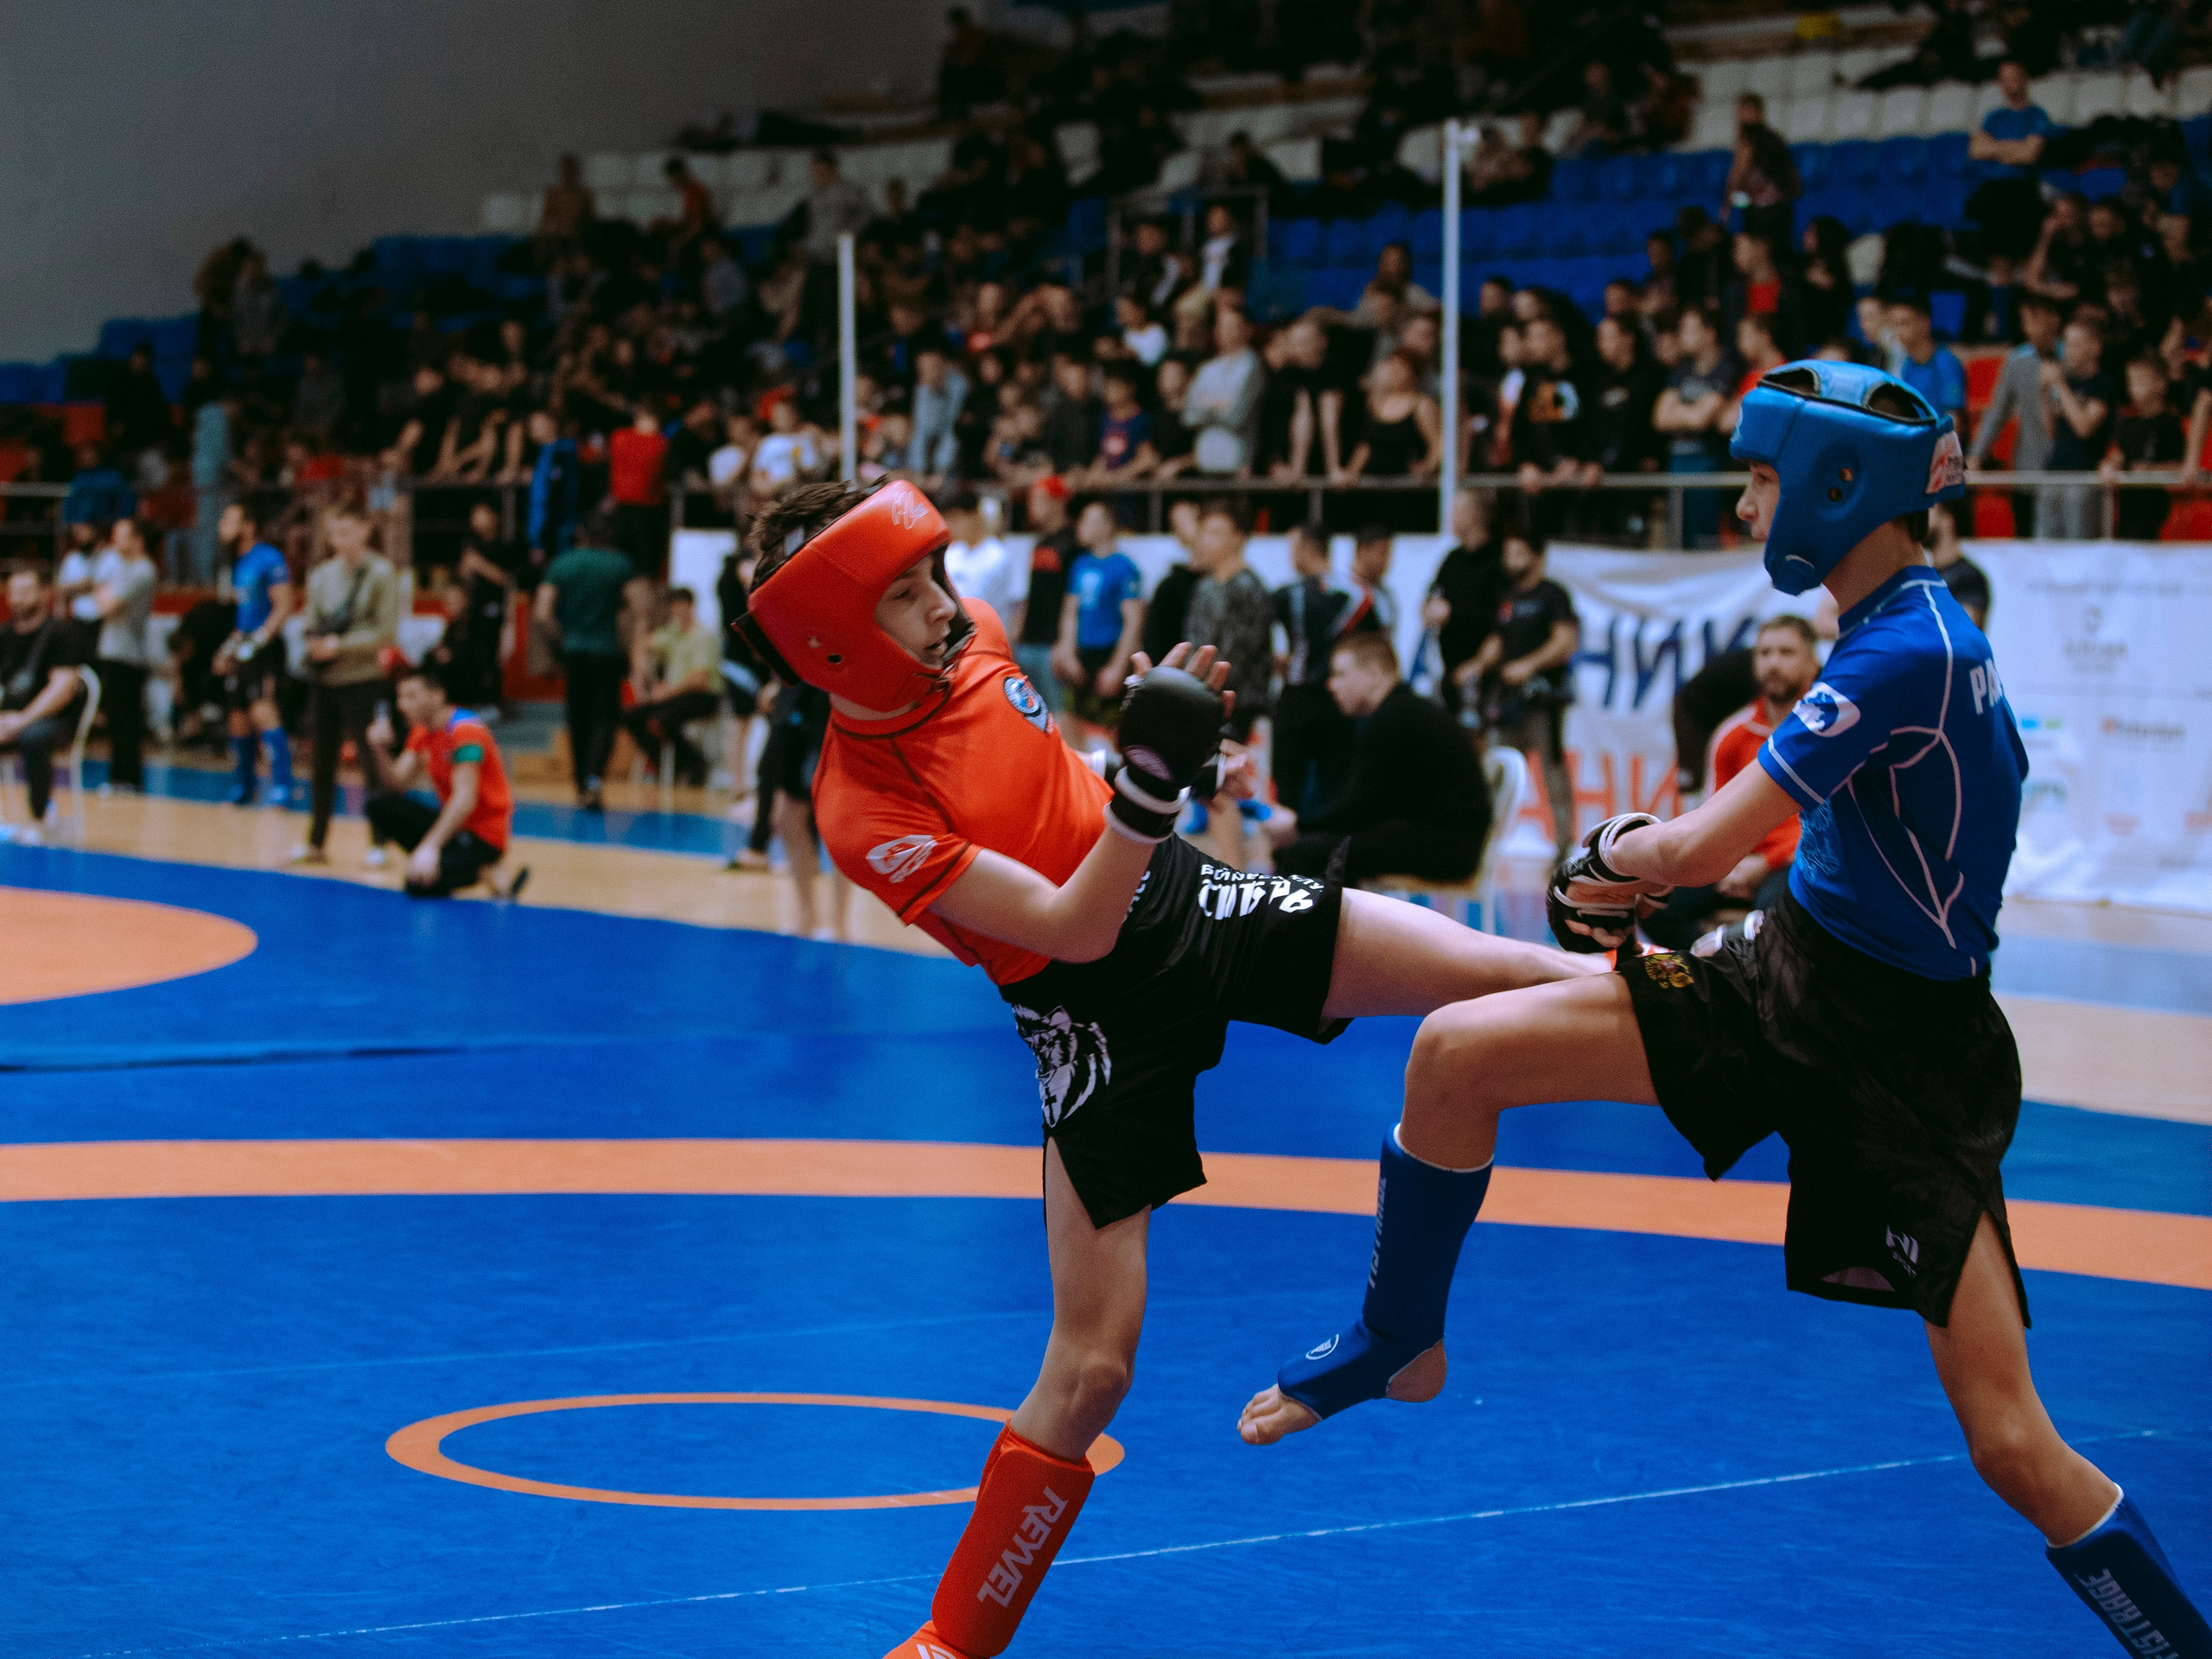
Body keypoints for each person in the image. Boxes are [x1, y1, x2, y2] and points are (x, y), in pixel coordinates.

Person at [1239, 358, 2212, 1659]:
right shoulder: (1908, 634)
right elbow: (1789, 856)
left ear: (1834, 485)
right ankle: (1402, 1337)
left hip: (1898, 1065)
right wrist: (1652, 875)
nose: (1748, 511)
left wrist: (1613, 855)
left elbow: (1695, 850)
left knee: (2011, 1444)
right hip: (1789, 981)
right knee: (1457, 1057)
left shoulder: (1906, 651)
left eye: (1759, 482)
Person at [732, 480, 1599, 1659]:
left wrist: (1152, 755)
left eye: (935, 574)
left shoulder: (979, 641)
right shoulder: (858, 804)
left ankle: (1727, 991)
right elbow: (1070, 930)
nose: (947, 605)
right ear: (828, 637)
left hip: (1194, 897)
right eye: (906, 594)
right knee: (1091, 1373)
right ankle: (953, 1642)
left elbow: (1055, 778)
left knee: (1500, 973)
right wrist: (1146, 788)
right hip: (1090, 1017)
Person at [1641, 614, 1815, 949]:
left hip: (1799, 861)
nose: (1773, 663)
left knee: (1778, 913)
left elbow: (1831, 827)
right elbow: (1718, 818)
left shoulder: (1826, 733)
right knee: (1654, 903)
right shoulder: (1732, 735)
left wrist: (1766, 864)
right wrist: (1729, 863)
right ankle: (1709, 972)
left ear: (1812, 663)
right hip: (1741, 859)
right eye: (1765, 654)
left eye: (1786, 653)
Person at [1268, 630, 1490, 884]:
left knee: (1304, 854)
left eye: (1340, 674)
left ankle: (1297, 924)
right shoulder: (1403, 711)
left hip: (1446, 850)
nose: (1331, 684)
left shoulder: (1394, 719)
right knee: (1324, 849)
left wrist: (1298, 827)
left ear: (1373, 674)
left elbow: (1358, 806)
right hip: (1442, 841)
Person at [291, 503, 401, 867]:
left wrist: (341, 646)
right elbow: (310, 618)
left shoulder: (381, 574)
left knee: (371, 763)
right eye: (335, 532)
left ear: (365, 531)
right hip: (326, 680)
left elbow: (386, 633)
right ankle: (316, 841)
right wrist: (315, 644)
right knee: (321, 763)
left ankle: (380, 841)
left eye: (348, 531)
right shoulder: (321, 574)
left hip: (363, 680)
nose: (340, 539)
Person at [361, 662, 526, 899]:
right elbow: (396, 783)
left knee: (417, 886)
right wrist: (379, 749)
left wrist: (431, 846)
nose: (402, 705)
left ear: (438, 696)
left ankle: (482, 868)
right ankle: (445, 861)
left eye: (411, 696)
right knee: (380, 805)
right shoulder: (422, 731)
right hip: (454, 829)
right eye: (400, 697)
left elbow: (465, 798)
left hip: (483, 836)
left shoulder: (466, 730)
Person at [1467, 528, 1580, 855]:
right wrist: (1476, 665)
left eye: (1517, 553)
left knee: (1553, 775)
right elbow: (1498, 641)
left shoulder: (1553, 595)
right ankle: (1484, 846)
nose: (1509, 561)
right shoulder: (1508, 598)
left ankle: (1563, 848)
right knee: (1497, 771)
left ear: (1536, 556)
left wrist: (1529, 665)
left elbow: (1565, 642)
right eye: (1507, 554)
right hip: (1507, 701)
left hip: (1542, 701)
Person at [535, 508, 632, 810]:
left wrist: (559, 641)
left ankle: (580, 783)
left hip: (575, 651)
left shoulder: (563, 563)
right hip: (608, 652)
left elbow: (542, 612)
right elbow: (637, 610)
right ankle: (594, 779)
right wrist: (630, 647)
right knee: (605, 718)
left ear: (581, 532)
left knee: (578, 718)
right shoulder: (620, 564)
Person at [1270, 523, 1370, 816]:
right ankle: (1331, 855)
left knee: (1287, 789)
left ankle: (1285, 858)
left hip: (1296, 698)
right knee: (1336, 786)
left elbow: (1265, 645)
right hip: (1340, 700)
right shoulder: (1359, 595)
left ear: (1304, 549)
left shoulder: (1288, 594)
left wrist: (1282, 661)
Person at [214, 501, 296, 807]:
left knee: (264, 710)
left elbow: (284, 606)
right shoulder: (239, 563)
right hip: (243, 643)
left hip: (265, 647)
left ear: (247, 526)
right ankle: (244, 787)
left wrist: (258, 642)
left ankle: (282, 786)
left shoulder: (269, 558)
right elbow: (243, 616)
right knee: (237, 717)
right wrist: (229, 649)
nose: (223, 525)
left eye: (229, 519)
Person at [0, 569, 89, 844]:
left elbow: (62, 690)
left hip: (56, 721)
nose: (19, 599)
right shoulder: (5, 635)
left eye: (26, 592)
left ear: (43, 594)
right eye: (14, 593)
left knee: (33, 737)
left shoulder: (62, 632)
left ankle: (40, 819)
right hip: (11, 718)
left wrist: (21, 720)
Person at [1968, 291, 2063, 538]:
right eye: (2025, 321)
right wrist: (1977, 455)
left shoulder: (2072, 356)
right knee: (2027, 541)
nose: (2028, 328)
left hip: (2068, 467)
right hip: (2028, 468)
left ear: (2054, 319)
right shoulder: (2016, 361)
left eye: (2035, 319)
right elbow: (1997, 413)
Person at [1181, 499, 1274, 743]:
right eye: (1205, 533)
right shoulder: (1204, 586)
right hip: (1200, 700)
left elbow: (1237, 656)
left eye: (1216, 533)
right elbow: (1192, 641)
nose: (1206, 541)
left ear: (1238, 537)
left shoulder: (1249, 588)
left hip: (1238, 706)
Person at [1052, 497, 1144, 728]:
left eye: (1088, 521)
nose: (1081, 526)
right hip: (1082, 654)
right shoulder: (1080, 564)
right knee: (1072, 721)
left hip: (1109, 652)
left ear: (1107, 526)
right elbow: (1070, 612)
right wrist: (1067, 650)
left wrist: (1117, 666)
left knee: (1112, 726)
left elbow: (1133, 621)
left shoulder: (1124, 567)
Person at [84, 518, 156, 796]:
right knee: (116, 719)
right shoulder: (123, 568)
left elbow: (107, 605)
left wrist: (101, 589)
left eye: (121, 536)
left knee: (127, 720)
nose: (115, 542)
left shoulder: (143, 570)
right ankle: (118, 777)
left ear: (137, 539)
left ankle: (129, 778)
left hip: (129, 654)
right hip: (113, 651)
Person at [621, 587, 722, 785]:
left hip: (702, 696)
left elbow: (699, 680)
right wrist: (641, 670)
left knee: (663, 720)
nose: (675, 610)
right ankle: (669, 764)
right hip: (674, 695)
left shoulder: (703, 636)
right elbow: (641, 645)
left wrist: (666, 692)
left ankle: (694, 763)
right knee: (632, 716)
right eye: (673, 606)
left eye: (679, 605)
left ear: (689, 606)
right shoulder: (672, 633)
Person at [1656, 307, 1738, 547]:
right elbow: (1660, 418)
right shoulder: (1680, 372)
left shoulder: (1726, 369)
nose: (1682, 336)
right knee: (1680, 539)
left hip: (1708, 463)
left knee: (1706, 539)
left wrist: (1681, 412)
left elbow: (1701, 420)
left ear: (1709, 333)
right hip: (1677, 463)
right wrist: (1692, 413)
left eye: (1689, 330)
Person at [1968, 60, 2056, 263]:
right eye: (2004, 79)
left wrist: (1996, 149)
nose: (2008, 84)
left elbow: (2029, 155)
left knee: (2025, 252)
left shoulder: (2036, 115)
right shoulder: (1993, 117)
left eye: (2014, 78)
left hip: (2022, 189)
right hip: (1994, 190)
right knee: (1998, 258)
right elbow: (1977, 150)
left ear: (2025, 80)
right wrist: (2016, 148)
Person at [2038, 316, 2115, 541]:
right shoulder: (2068, 383)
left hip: (2083, 478)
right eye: (2067, 344)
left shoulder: (2104, 384)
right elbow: (2051, 431)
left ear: (2095, 348)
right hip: (2054, 473)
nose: (2069, 351)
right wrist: (2044, 392)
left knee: (2077, 550)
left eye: (2076, 344)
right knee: (2044, 549)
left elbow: (2084, 428)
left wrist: (2059, 386)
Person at [2102, 353, 2186, 541]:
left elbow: (2180, 465)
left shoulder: (2170, 425)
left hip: (2158, 514)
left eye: (2140, 381)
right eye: (2131, 381)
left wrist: (2150, 472)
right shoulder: (2128, 424)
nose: (2134, 388)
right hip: (2129, 513)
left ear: (2161, 384)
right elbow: (2119, 454)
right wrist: (2109, 465)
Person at [1009, 476, 1075, 714]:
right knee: (1030, 712)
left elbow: (1072, 600)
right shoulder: (1040, 543)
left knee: (1058, 713)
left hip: (1053, 646)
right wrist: (1018, 628)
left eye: (1038, 499)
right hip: (1029, 640)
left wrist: (1065, 643)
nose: (1032, 507)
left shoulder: (1072, 543)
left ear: (1057, 502)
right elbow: (1032, 590)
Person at [1889, 295, 1967, 427]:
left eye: (1904, 323)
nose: (1898, 331)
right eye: (1895, 325)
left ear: (1925, 323)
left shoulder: (1946, 362)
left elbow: (1954, 418)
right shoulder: (1907, 365)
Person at [1925, 499, 1990, 630]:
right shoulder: (1929, 574)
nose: (1921, 522)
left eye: (1929, 512)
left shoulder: (1968, 576)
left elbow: (1964, 631)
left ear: (1947, 520)